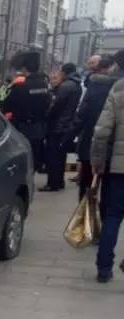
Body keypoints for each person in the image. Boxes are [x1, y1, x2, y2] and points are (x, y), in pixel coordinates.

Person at [92, 49, 124, 283]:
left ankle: (104, 268)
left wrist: (97, 163)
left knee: (112, 216)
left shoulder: (118, 89)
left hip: (118, 169)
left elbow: (102, 132)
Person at [68, 54, 117, 202]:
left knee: (87, 189)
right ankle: (102, 220)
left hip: (92, 142)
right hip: (112, 150)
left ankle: (84, 219)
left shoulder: (93, 86)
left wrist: (68, 137)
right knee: (110, 197)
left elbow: (81, 115)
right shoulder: (113, 88)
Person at [2, 52, 51, 174]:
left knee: (23, 158)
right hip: (40, 127)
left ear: (24, 68)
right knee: (35, 156)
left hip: (23, 128)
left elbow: (6, 105)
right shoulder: (44, 84)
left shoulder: (21, 86)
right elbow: (48, 104)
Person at [41, 63, 82, 192]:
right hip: (67, 125)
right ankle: (59, 181)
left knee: (53, 155)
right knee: (61, 155)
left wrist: (47, 115)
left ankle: (52, 183)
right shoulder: (77, 85)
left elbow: (56, 106)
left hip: (58, 126)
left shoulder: (65, 86)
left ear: (64, 73)